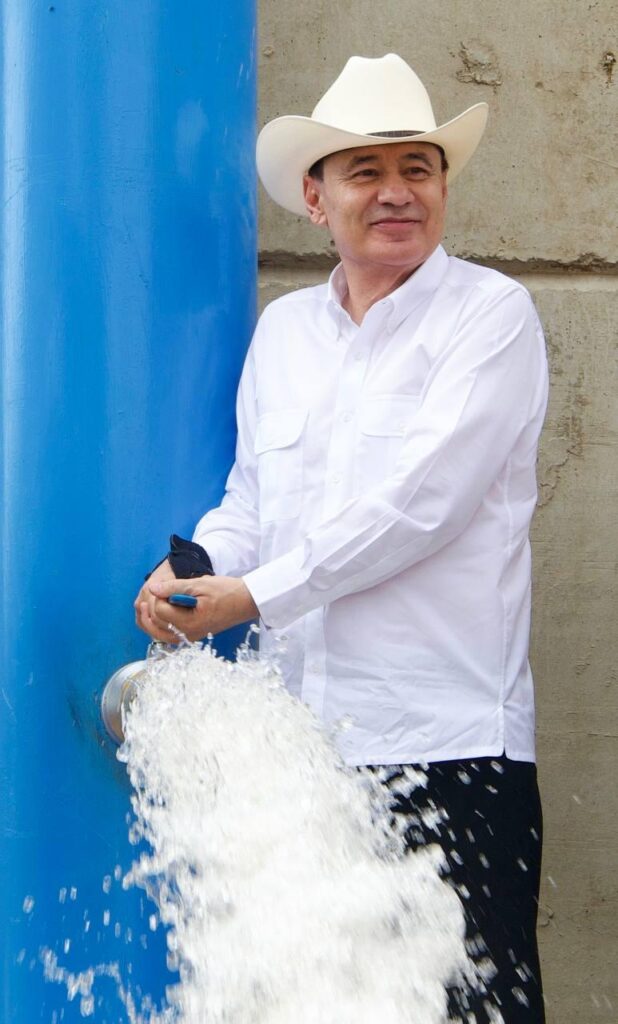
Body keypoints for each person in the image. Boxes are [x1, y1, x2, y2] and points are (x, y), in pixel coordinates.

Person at [135, 54, 548, 1022]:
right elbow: (252, 497)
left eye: (419, 168)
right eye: (367, 171)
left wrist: (252, 597)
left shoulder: (491, 316)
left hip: (449, 749)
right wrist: (194, 570)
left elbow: (421, 506)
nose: (399, 192)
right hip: (303, 754)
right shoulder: (284, 333)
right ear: (317, 200)